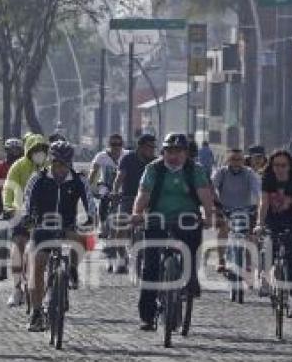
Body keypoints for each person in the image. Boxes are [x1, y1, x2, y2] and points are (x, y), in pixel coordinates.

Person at [131, 133, 216, 331]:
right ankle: (147, 316)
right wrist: (136, 213)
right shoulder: (153, 169)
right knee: (150, 267)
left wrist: (209, 215)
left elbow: (205, 195)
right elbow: (143, 195)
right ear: (163, 152)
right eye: (169, 151)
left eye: (178, 151)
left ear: (186, 154)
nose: (173, 156)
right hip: (157, 218)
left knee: (191, 247)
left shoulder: (195, 170)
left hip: (186, 219)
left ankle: (190, 277)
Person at [25, 141, 94, 331]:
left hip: (67, 225)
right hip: (42, 226)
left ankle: (72, 269)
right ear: (50, 161)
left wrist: (91, 218)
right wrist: (27, 217)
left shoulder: (79, 180)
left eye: (64, 163)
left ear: (70, 163)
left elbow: (90, 202)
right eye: (56, 163)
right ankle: (37, 313)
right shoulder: (38, 178)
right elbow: (27, 200)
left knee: (80, 238)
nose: (60, 168)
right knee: (37, 264)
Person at [255, 150, 292, 318]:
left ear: (290, 166)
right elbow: (264, 203)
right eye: (276, 165)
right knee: (268, 247)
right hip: (272, 222)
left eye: (283, 165)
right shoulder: (268, 179)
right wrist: (259, 224)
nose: (279, 168)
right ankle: (264, 278)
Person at [2, 133, 50, 306]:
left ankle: (51, 286)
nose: (39, 153)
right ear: (28, 151)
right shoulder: (18, 166)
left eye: (42, 150)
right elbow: (8, 188)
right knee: (18, 244)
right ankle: (16, 288)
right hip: (21, 212)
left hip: (46, 214)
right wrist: (8, 206)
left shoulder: (50, 166)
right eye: (35, 150)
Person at [111, 133, 157, 274]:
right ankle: (123, 258)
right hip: (128, 198)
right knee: (119, 232)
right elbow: (119, 177)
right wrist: (114, 191)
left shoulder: (156, 162)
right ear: (141, 147)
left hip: (148, 200)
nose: (152, 150)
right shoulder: (128, 158)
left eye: (154, 147)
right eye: (150, 147)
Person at [212, 149, 261, 273]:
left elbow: (257, 190)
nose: (236, 162)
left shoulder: (249, 173)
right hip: (226, 209)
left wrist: (258, 203)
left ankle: (249, 262)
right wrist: (216, 204)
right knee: (223, 230)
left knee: (250, 234)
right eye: (233, 159)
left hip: (246, 209)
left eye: (239, 159)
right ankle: (221, 260)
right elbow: (211, 187)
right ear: (228, 160)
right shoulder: (221, 172)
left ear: (243, 161)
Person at [89, 134, 127, 271]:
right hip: (106, 188)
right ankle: (103, 226)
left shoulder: (127, 155)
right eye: (113, 144)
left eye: (118, 144)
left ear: (122, 144)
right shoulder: (101, 156)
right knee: (105, 218)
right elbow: (93, 172)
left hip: (123, 190)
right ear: (109, 145)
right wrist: (90, 187)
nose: (116, 147)